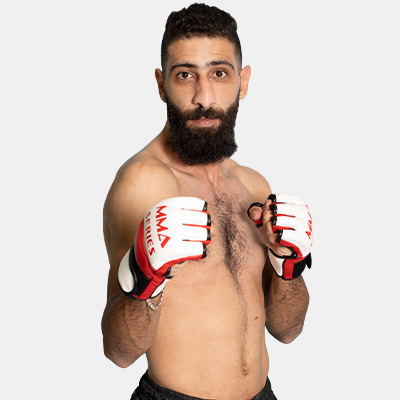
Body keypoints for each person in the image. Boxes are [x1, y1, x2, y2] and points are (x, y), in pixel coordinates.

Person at [101, 4, 313, 400]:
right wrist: (144, 281)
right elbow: (119, 351)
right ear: (162, 84)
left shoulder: (252, 185)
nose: (204, 97)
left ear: (243, 82)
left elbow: (287, 330)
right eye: (185, 75)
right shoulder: (144, 183)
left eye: (219, 73)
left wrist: (290, 266)